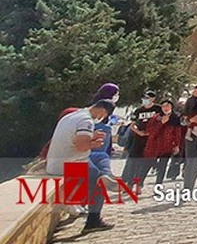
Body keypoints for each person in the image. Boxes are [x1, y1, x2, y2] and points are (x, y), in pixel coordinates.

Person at [46, 100, 117, 232]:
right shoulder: (86, 121)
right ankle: (93, 221)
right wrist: (94, 144)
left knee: (96, 167)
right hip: (69, 164)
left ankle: (105, 177)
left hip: (56, 162)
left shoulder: (72, 115)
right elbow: (81, 146)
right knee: (99, 184)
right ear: (103, 111)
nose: (101, 118)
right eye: (104, 115)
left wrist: (92, 136)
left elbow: (74, 140)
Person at [121, 91, 161, 184]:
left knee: (146, 162)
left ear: (153, 99)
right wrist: (139, 132)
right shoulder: (138, 111)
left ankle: (140, 181)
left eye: (148, 98)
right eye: (144, 98)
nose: (145, 100)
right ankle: (129, 182)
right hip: (138, 138)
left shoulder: (158, 109)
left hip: (152, 139)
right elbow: (132, 125)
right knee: (133, 161)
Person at [144, 99, 183, 185]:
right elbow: (150, 131)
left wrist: (177, 145)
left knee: (163, 166)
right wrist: (161, 122)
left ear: (171, 107)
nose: (165, 108)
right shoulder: (156, 117)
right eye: (163, 106)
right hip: (154, 145)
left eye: (167, 106)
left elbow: (177, 133)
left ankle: (158, 185)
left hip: (167, 146)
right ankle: (139, 183)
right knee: (148, 164)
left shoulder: (175, 118)